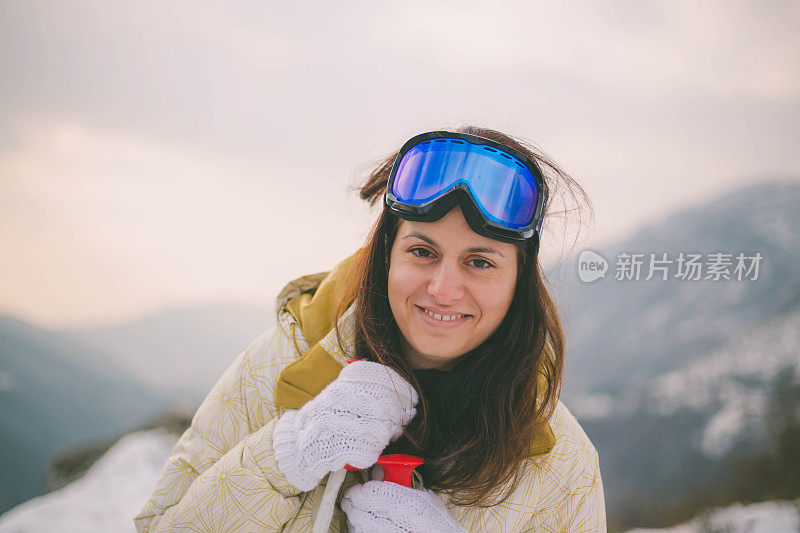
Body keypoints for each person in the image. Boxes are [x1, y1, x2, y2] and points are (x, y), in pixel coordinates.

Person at [134, 127, 606, 532]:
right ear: (385, 255)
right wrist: (283, 458)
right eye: (422, 251)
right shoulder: (286, 366)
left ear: (520, 284)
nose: (443, 290)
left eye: (479, 262)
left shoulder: (559, 465)